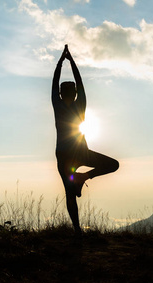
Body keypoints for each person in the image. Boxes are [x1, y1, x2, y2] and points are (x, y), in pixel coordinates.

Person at [52, 45, 119, 236]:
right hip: (80, 153)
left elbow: (55, 82)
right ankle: (83, 178)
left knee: (69, 193)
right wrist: (71, 60)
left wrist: (61, 62)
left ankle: (77, 229)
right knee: (113, 165)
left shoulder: (57, 105)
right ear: (73, 94)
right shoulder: (79, 105)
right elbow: (79, 82)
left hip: (65, 156)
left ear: (60, 93)